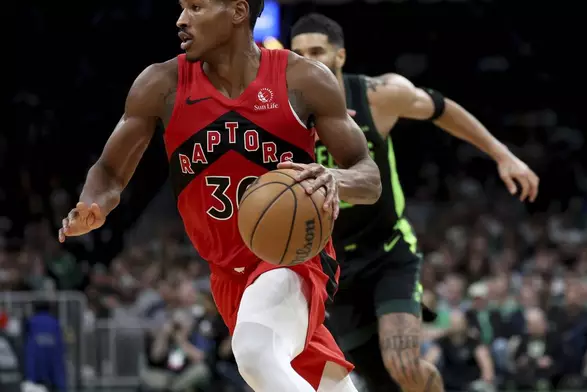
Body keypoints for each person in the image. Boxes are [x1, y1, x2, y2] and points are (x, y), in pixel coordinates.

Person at [58, 0, 382, 391]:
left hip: (296, 255)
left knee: (256, 351)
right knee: (320, 381)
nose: (181, 19)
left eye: (196, 7)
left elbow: (368, 176)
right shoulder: (161, 84)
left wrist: (333, 178)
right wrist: (95, 203)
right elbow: (109, 170)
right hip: (228, 275)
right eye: (180, 7)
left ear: (238, 11)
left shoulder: (303, 79)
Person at [291, 13, 540, 392]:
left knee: (403, 363)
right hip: (332, 263)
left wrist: (502, 153)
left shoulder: (378, 96)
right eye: (299, 54)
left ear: (340, 56)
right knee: (377, 378)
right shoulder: (285, 113)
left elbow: (441, 108)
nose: (308, 61)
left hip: (387, 249)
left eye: (317, 51)